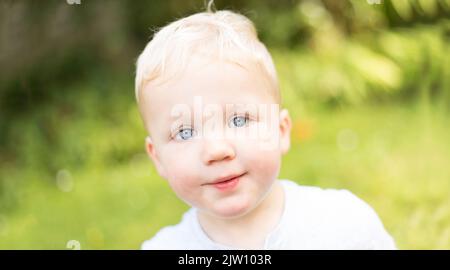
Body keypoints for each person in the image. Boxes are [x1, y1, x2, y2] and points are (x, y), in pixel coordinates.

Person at [134, 5, 396, 250]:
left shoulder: (344, 225)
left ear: (280, 131)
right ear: (157, 157)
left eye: (239, 120)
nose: (216, 150)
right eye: (185, 132)